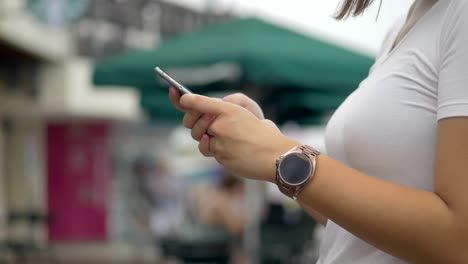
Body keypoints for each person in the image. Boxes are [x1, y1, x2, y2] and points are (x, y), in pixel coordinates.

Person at [169, 0, 468, 263]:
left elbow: (459, 240)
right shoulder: (404, 26)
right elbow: (353, 227)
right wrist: (268, 146)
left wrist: (282, 155)